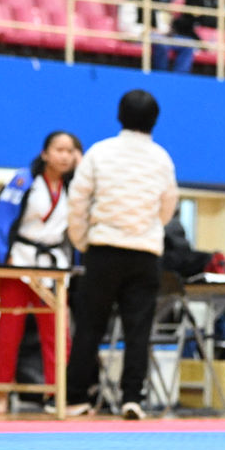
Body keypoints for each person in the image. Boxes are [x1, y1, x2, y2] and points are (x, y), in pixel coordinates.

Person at [66, 90, 178, 419]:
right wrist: (145, 231)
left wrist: (82, 241)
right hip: (144, 254)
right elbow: (167, 207)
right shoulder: (162, 158)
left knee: (90, 326)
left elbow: (77, 201)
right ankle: (133, 398)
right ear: (155, 120)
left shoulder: (99, 152)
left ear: (119, 115)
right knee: (138, 330)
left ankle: (76, 398)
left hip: (103, 250)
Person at [0, 130, 82, 414]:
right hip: (18, 261)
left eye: (70, 151)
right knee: (9, 329)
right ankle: (1, 392)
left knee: (57, 331)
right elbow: (0, 222)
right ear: (45, 153)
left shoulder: (74, 186)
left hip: (53, 267)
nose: (64, 156)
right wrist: (1, 260)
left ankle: (57, 394)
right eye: (59, 150)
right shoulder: (24, 180)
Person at [117, 0, 193, 73]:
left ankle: (179, 77)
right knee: (161, 44)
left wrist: (165, 30)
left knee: (188, 44)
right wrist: (148, 30)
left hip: (159, 36)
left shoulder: (156, 3)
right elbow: (126, 27)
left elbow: (163, 25)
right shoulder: (129, 3)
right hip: (141, 36)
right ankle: (161, 75)